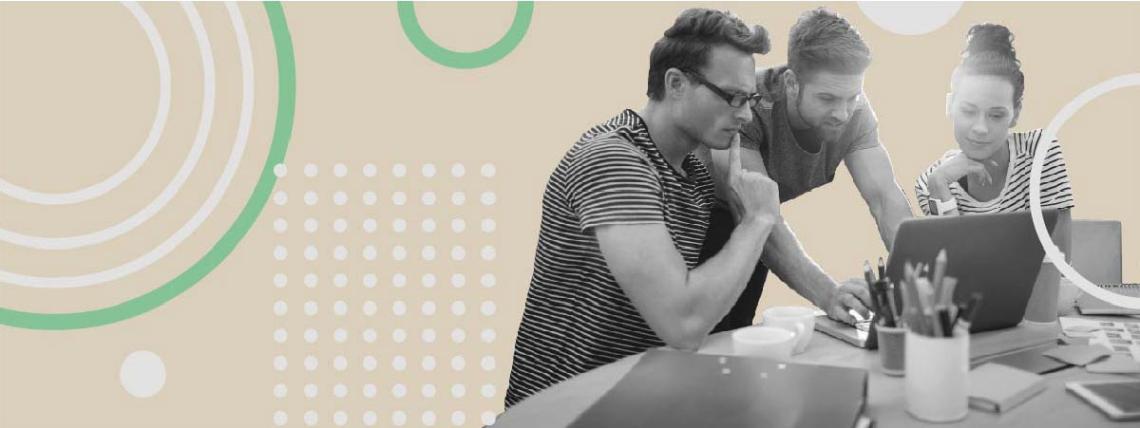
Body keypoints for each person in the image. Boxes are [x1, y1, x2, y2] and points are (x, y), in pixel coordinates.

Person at [504, 9, 782, 407]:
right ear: (676, 83)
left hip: (629, 402)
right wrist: (757, 220)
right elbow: (683, 324)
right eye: (733, 97)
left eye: (750, 99)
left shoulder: (694, 177)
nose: (745, 115)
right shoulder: (615, 160)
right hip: (562, 412)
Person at [700, 7, 913, 332]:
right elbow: (755, 213)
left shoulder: (855, 112)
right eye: (827, 98)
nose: (842, 113)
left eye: (851, 97)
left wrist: (919, 279)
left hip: (756, 229)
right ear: (791, 83)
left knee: (738, 334)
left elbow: (885, 199)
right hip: (696, 221)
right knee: (700, 339)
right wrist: (829, 294)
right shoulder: (745, 105)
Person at [915, 23, 1074, 315]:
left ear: (1015, 114)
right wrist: (940, 188)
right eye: (968, 111)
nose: (980, 128)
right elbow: (953, 276)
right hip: (975, 319)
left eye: (996, 115)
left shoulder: (1039, 151)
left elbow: (1057, 266)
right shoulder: (933, 182)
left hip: (1037, 312)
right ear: (950, 106)